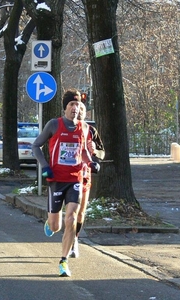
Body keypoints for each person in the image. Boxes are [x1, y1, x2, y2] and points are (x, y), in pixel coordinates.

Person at [32, 88, 100, 277]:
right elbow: (36, 145)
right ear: (65, 107)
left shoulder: (85, 128)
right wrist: (45, 166)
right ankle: (50, 222)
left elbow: (84, 152)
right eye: (71, 104)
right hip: (56, 179)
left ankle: (63, 261)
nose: (75, 108)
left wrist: (91, 163)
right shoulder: (54, 125)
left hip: (75, 178)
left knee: (71, 217)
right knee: (56, 226)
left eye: (78, 105)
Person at [69, 102, 105, 258]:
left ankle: (74, 240)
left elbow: (102, 152)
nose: (80, 112)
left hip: (84, 175)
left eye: (83, 109)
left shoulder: (91, 131)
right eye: (77, 109)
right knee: (71, 211)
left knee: (81, 212)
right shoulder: (66, 128)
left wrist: (95, 151)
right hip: (67, 175)